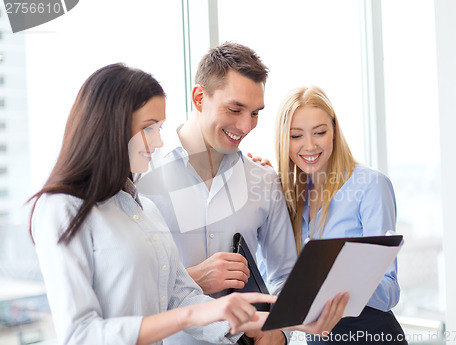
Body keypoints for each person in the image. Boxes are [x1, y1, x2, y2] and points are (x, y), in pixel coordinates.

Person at [28, 63, 281, 345]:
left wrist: (258, 326)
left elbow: (179, 296)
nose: (159, 141)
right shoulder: (62, 209)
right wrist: (186, 318)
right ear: (111, 125)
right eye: (149, 128)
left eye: (160, 128)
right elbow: (80, 334)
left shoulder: (145, 209)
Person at [136, 42, 349, 345]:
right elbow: (124, 285)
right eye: (235, 109)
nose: (246, 125)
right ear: (199, 98)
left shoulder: (263, 180)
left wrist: (280, 333)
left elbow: (284, 274)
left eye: (254, 113)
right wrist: (194, 278)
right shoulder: (142, 176)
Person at [274, 86, 407, 344]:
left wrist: (341, 280)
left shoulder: (370, 186)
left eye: (320, 132)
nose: (309, 145)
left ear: (334, 130)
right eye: (296, 135)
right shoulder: (287, 195)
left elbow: (390, 291)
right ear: (284, 140)